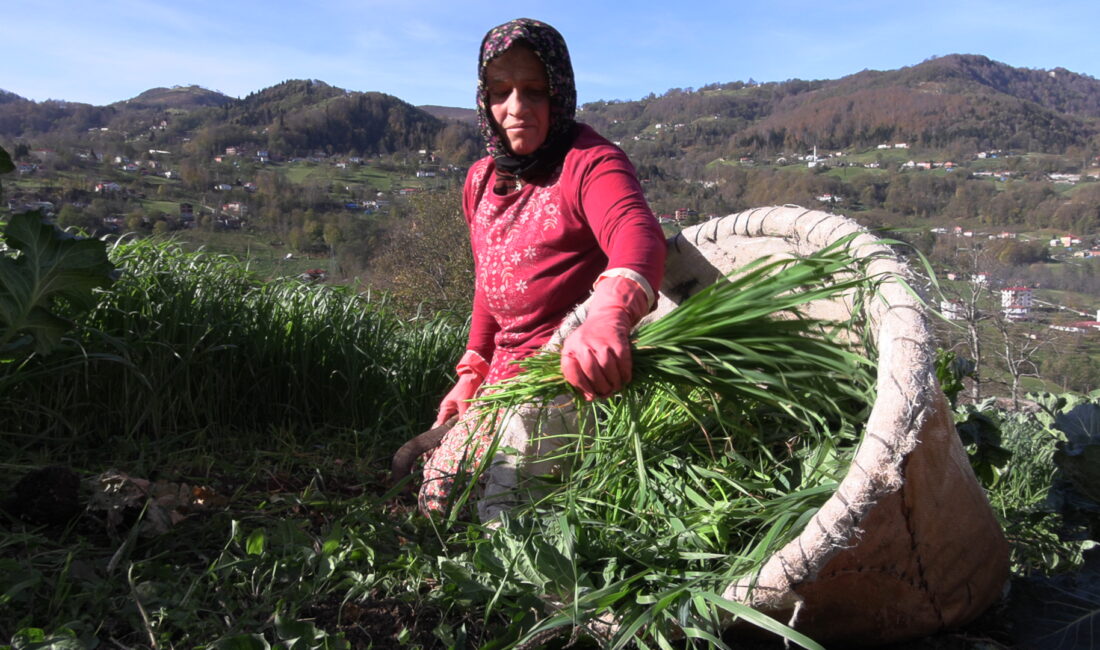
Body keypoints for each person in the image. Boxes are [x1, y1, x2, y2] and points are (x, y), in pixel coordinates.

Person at [419, 18, 666, 517]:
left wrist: (608, 315)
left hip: (571, 374)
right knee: (438, 495)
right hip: (504, 379)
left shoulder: (591, 163)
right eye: (499, 92)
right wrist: (472, 371)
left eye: (534, 91)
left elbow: (637, 234)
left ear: (560, 91)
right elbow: (491, 284)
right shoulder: (481, 180)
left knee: (485, 505)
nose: (516, 109)